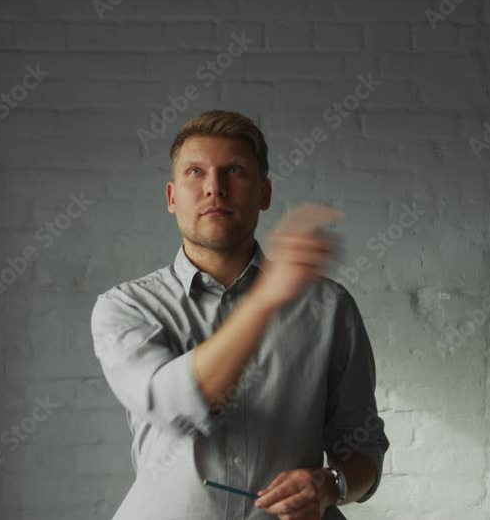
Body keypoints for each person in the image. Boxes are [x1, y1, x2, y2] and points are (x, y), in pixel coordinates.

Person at [91, 110, 389, 519]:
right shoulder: (125, 307)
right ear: (172, 197)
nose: (214, 188)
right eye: (195, 172)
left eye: (234, 171)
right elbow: (172, 403)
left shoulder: (329, 307)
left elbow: (364, 446)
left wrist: (329, 485)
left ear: (264, 194)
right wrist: (268, 300)